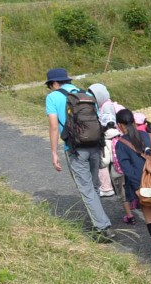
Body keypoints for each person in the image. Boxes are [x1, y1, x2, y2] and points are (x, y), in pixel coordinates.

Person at [44, 68, 115, 242]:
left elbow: (54, 126)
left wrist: (54, 153)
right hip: (94, 145)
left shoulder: (52, 97)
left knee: (86, 189)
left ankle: (103, 228)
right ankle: (98, 221)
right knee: (94, 186)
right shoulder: (85, 94)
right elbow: (98, 121)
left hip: (75, 148)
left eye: (50, 85)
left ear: (54, 83)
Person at [114, 109, 151, 260]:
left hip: (141, 184)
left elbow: (126, 170)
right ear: (133, 121)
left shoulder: (121, 144)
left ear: (119, 125)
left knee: (149, 212)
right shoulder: (150, 136)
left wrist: (138, 188)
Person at [88, 83, 121, 198]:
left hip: (110, 138)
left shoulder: (106, 107)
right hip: (114, 137)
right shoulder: (107, 104)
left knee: (103, 161)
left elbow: (110, 125)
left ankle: (106, 188)